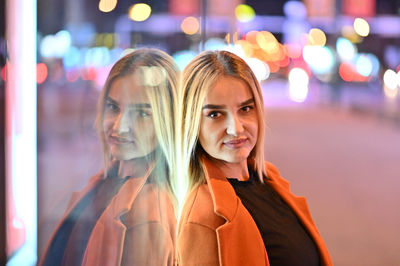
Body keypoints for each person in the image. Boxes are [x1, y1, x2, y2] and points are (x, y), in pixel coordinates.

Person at [176, 50, 332, 266]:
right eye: (215, 114)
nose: (236, 128)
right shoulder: (203, 217)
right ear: (191, 123)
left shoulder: (269, 179)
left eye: (245, 108)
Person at [40, 48, 178, 266]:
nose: (120, 126)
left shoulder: (148, 213)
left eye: (142, 113)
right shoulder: (109, 180)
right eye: (113, 107)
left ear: (169, 119)